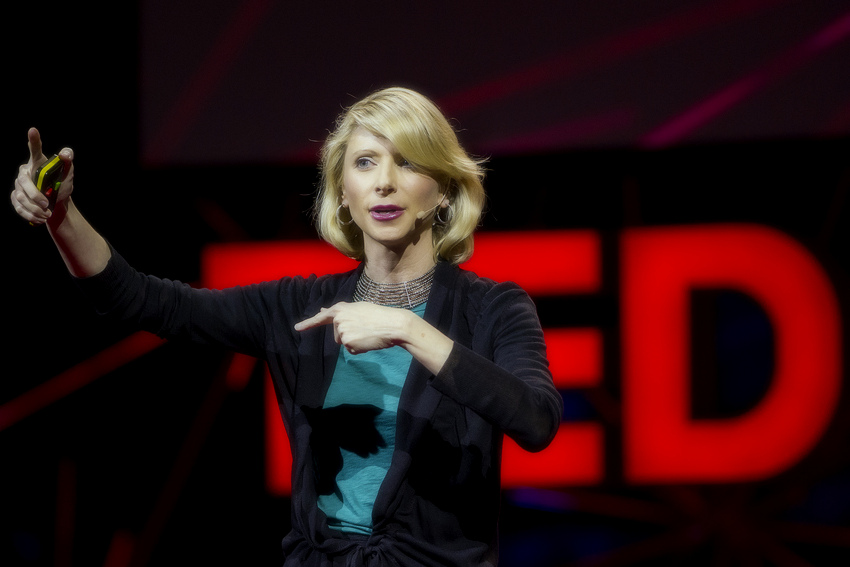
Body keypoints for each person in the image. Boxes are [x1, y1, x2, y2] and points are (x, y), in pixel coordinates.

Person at [11, 87, 562, 566]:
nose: (386, 182)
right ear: (343, 192)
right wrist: (62, 219)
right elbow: (144, 302)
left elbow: (536, 421)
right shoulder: (296, 306)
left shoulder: (493, 309)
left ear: (441, 191)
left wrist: (408, 329)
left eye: (409, 163)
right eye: (366, 162)